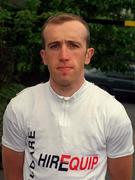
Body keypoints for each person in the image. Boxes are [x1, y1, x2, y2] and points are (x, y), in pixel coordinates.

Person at [2, 13, 134, 180]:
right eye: (55, 46)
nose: (64, 55)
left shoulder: (113, 112)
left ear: (88, 55)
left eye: (73, 45)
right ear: (44, 56)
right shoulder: (20, 106)